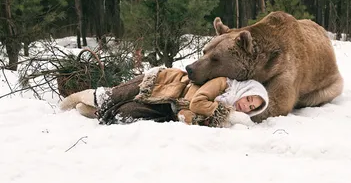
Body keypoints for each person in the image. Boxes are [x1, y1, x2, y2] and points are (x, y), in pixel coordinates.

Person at [60, 67, 268, 128]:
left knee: (123, 115)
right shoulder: (224, 83)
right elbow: (197, 102)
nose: (246, 106)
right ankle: (79, 97)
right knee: (112, 96)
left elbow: (190, 115)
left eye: (251, 108)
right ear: (245, 91)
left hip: (168, 107)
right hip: (165, 84)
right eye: (249, 100)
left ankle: (88, 111)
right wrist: (227, 114)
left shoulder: (223, 116)